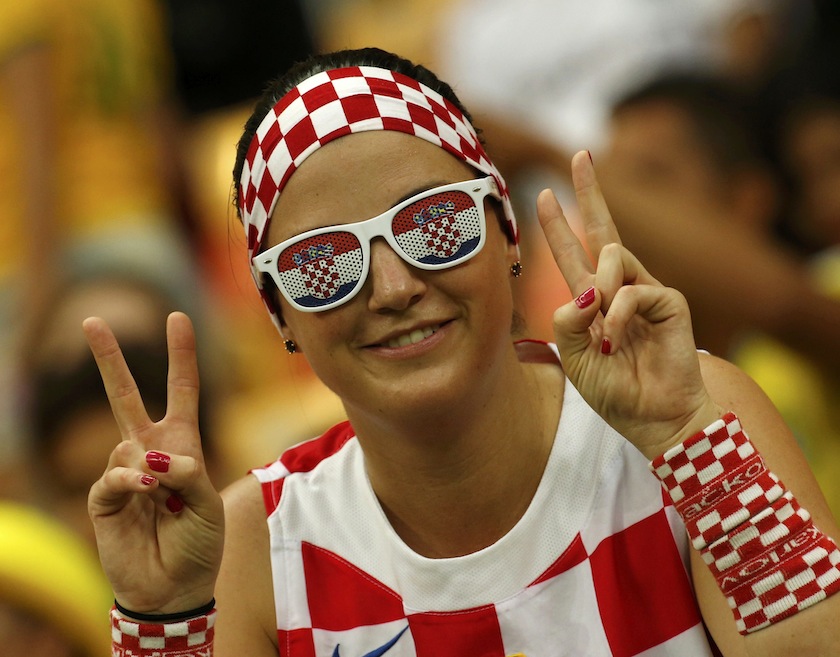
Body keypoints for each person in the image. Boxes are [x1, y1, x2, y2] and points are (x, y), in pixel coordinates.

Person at [83, 48, 840, 656]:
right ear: (279, 312)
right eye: (324, 263)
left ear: (506, 231)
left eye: (432, 223)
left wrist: (688, 443)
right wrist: (162, 623)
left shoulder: (688, 413)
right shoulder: (254, 548)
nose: (391, 286)